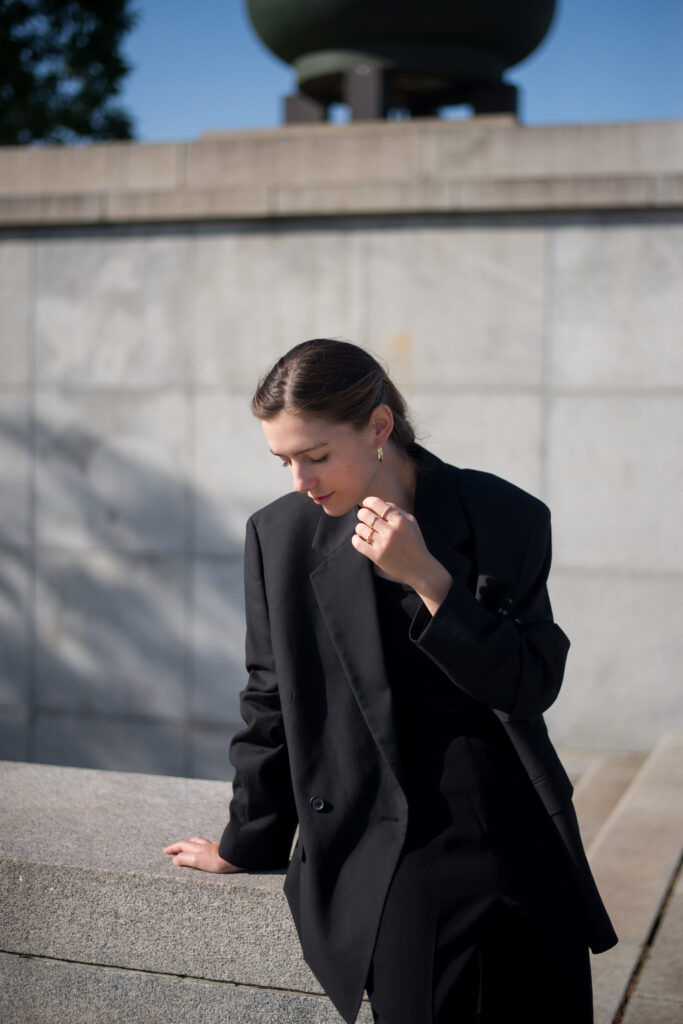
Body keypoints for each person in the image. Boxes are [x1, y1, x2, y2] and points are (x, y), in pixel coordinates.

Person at [164, 338, 617, 1024]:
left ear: (378, 427)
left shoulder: (501, 516)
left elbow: (529, 684)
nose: (300, 481)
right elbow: (269, 697)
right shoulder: (281, 537)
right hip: (394, 835)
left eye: (315, 456)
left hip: (515, 825)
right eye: (283, 460)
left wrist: (430, 581)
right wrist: (244, 840)